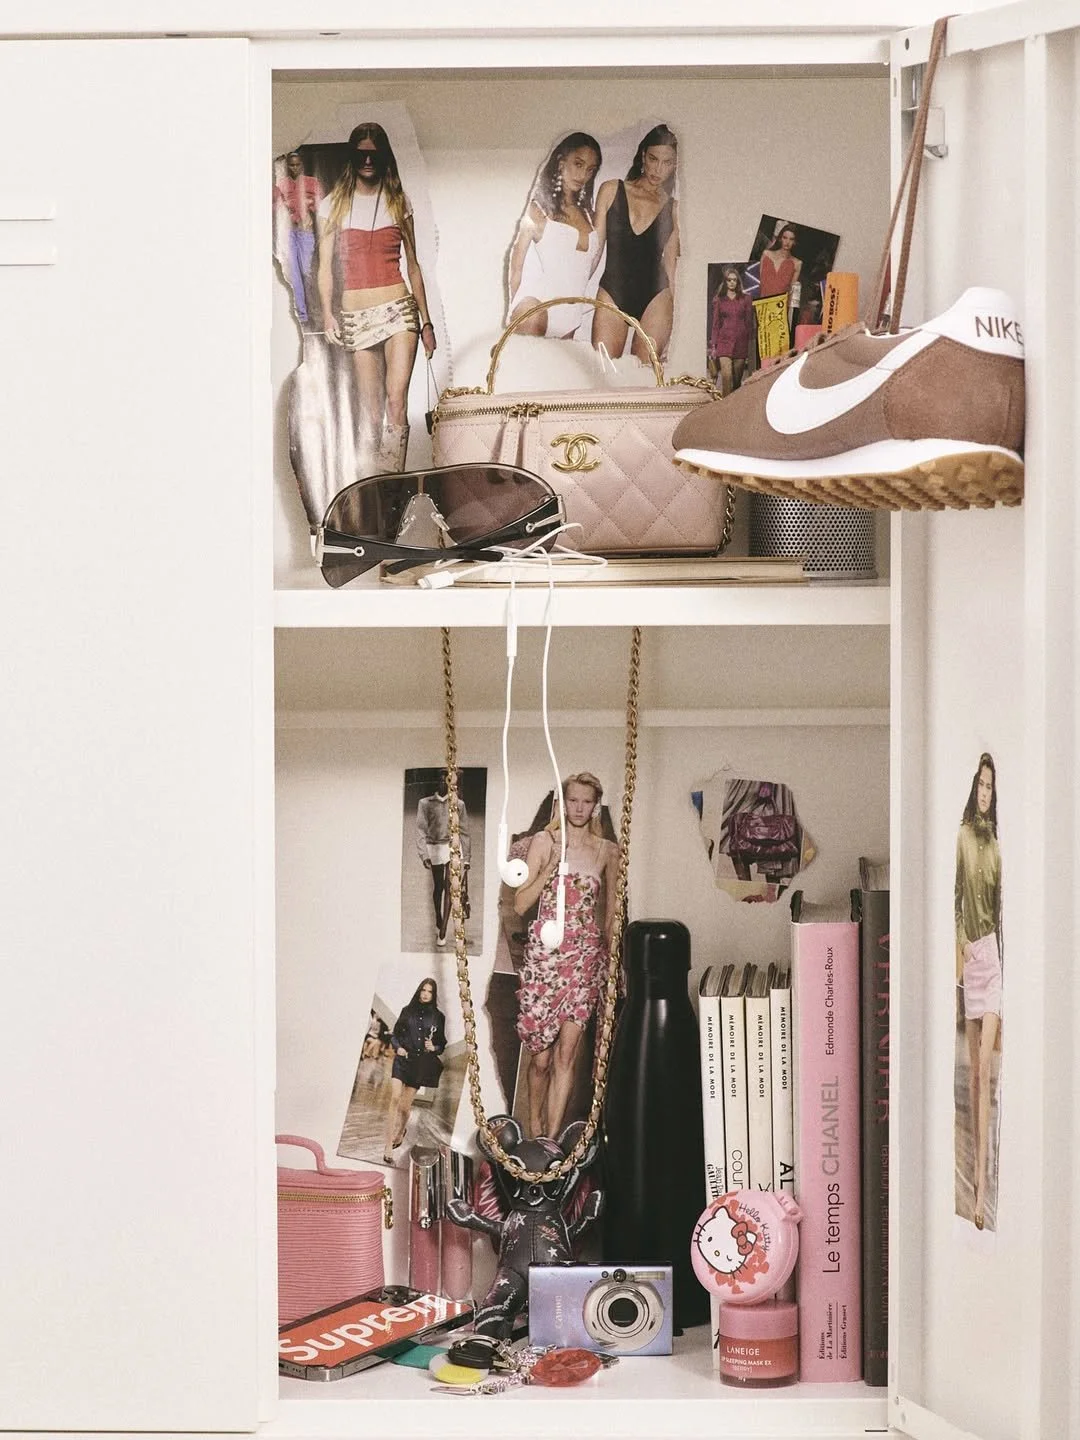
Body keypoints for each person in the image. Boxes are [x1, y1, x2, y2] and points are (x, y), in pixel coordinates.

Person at [315, 122, 437, 476]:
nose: (368, 161)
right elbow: (325, 268)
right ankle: (374, 487)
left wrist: (426, 322)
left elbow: (413, 265)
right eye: (361, 154)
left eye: (374, 154)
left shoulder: (398, 201)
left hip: (398, 311)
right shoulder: (332, 205)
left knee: (396, 402)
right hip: (356, 316)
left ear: (384, 157)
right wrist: (328, 314)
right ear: (352, 157)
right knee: (371, 412)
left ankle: (392, 485)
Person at [512, 772, 619, 1140]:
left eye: (586, 801)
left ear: (595, 805)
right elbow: (521, 903)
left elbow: (610, 917)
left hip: (584, 958)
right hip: (545, 958)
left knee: (566, 1055)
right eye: (573, 800)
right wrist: (550, 869)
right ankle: (534, 1128)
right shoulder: (545, 841)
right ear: (562, 802)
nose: (579, 808)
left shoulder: (607, 851)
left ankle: (550, 1141)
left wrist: (613, 966)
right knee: (540, 1059)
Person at [954, 752, 1003, 1231]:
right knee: (972, 1078)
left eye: (991, 787)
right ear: (975, 787)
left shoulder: (998, 845)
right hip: (971, 956)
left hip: (994, 958)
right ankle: (972, 1184)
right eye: (981, 785)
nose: (985, 793)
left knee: (986, 1071)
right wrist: (960, 946)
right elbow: (954, 897)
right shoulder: (964, 837)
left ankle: (984, 1192)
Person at [591, 124, 680, 362]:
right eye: (653, 159)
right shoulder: (611, 190)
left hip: (656, 297)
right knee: (603, 371)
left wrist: (672, 326)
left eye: (667, 162)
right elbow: (594, 251)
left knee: (645, 377)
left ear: (674, 166)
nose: (658, 169)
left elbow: (671, 267)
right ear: (643, 156)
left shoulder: (673, 209)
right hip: (613, 290)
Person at [505, 132, 604, 340]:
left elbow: (588, 267)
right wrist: (512, 310)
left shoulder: (589, 215)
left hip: (571, 315)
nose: (583, 175)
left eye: (590, 169)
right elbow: (516, 265)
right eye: (578, 164)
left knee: (557, 362)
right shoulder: (539, 210)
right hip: (535, 306)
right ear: (561, 162)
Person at [383, 978, 447, 1164]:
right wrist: (398, 1048)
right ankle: (388, 1146)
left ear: (433, 995)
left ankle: (401, 1130)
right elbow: (395, 1035)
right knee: (395, 1097)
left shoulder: (438, 1017)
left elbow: (441, 1044)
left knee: (404, 1107)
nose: (425, 994)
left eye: (429, 991)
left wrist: (433, 1047)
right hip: (402, 1060)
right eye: (423, 990)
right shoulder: (407, 1011)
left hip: (419, 1064)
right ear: (419, 991)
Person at [416, 770, 471, 948]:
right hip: (434, 847)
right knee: (438, 887)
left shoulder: (459, 804)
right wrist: (424, 854)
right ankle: (439, 919)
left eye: (446, 779)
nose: (442, 783)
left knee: (449, 888)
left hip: (452, 847)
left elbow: (464, 831)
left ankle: (443, 931)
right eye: (439, 779)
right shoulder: (425, 803)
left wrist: (467, 858)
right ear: (435, 782)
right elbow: (420, 830)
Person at [274, 151, 323, 326]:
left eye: (297, 164)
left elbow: (321, 206)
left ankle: (316, 312)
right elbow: (275, 207)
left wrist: (309, 204)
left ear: (302, 164)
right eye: (291, 165)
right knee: (294, 274)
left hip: (305, 232)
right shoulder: (282, 184)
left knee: (307, 272)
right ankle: (303, 316)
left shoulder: (312, 182)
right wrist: (283, 205)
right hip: (289, 233)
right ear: (287, 166)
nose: (294, 168)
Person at [708, 267, 754, 393]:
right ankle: (726, 402)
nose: (732, 282)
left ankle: (734, 401)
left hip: (741, 342)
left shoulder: (745, 299)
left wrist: (750, 344)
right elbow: (716, 324)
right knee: (726, 376)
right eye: (729, 280)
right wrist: (714, 346)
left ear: (738, 282)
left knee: (737, 380)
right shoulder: (719, 300)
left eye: (734, 280)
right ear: (725, 282)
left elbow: (749, 322)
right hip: (724, 342)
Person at [758, 221, 802, 298]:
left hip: (779, 303)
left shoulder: (797, 263)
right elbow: (759, 281)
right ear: (780, 238)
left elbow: (790, 292)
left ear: (794, 242)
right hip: (760, 301)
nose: (787, 242)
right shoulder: (766, 254)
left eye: (791, 239)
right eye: (785, 238)